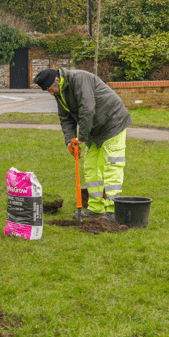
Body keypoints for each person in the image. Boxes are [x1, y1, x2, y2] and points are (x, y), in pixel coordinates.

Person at [33, 68, 132, 222]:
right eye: (47, 91)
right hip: (94, 129)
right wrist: (69, 141)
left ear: (57, 80)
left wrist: (81, 138)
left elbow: (87, 109)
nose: (51, 93)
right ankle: (96, 208)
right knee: (91, 167)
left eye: (50, 89)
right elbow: (65, 118)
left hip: (113, 122)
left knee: (112, 166)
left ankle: (113, 210)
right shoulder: (60, 93)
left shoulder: (79, 79)